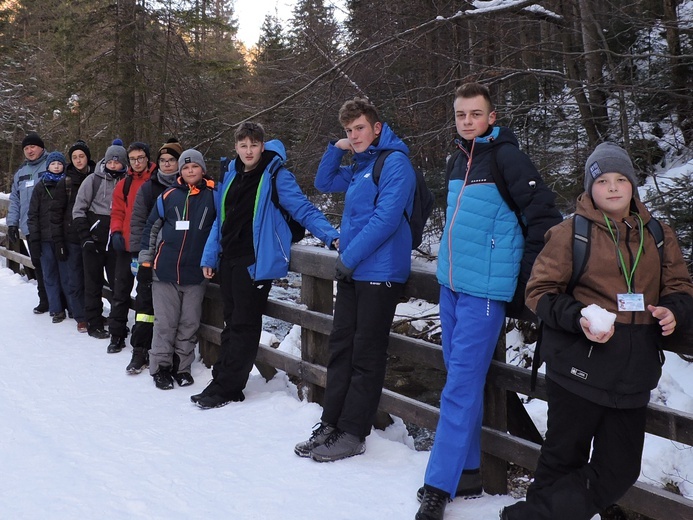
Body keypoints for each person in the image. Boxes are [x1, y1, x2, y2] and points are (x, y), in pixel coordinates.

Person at [500, 143, 693, 520]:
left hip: (634, 374)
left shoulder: (658, 234)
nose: (614, 187)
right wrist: (579, 317)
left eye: (622, 179)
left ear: (633, 185)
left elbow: (680, 287)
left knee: (619, 471)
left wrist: (674, 311)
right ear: (591, 187)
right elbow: (538, 293)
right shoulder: (570, 232)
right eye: (603, 180)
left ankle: (528, 517)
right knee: (561, 461)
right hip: (578, 369)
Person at [415, 83, 562, 520]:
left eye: (475, 114)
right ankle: (472, 471)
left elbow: (545, 219)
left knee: (459, 384)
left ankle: (437, 485)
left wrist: (523, 284)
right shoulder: (455, 160)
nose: (467, 122)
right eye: (461, 115)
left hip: (485, 294)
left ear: (492, 117)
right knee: (461, 379)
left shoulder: (507, 158)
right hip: (451, 285)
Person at [294, 97, 416, 463]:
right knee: (341, 348)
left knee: (366, 354)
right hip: (354, 271)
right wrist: (336, 148)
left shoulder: (395, 164)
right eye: (349, 130)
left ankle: (353, 431)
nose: (355, 135)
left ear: (377, 127)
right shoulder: (362, 165)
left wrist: (347, 256)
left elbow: (386, 219)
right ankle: (331, 423)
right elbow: (323, 180)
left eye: (360, 128)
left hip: (379, 273)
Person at [193, 121, 339, 409]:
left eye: (254, 145)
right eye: (243, 145)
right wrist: (210, 256)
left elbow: (303, 208)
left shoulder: (276, 175)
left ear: (263, 146)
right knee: (230, 323)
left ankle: (230, 388)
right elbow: (220, 222)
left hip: (255, 263)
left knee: (244, 326)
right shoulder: (232, 174)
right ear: (236, 147)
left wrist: (332, 236)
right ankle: (221, 379)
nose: (248, 151)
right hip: (229, 259)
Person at [138, 149, 215, 389]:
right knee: (165, 323)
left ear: (202, 169)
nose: (190, 171)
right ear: (180, 171)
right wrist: (145, 261)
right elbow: (151, 228)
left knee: (189, 323)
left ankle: (181, 367)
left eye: (194, 167)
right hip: (165, 271)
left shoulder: (214, 196)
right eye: (185, 167)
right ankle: (160, 368)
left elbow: (219, 232)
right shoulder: (168, 196)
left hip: (195, 273)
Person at [126, 137, 182, 374]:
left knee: (174, 310)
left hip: (178, 259)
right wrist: (139, 256)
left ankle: (173, 355)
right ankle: (140, 350)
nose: (167, 165)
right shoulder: (149, 188)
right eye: (163, 161)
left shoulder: (191, 185)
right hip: (151, 256)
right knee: (145, 305)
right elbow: (138, 222)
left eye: (172, 160)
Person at [72, 139, 128, 339]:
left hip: (117, 240)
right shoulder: (93, 180)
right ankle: (94, 323)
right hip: (94, 238)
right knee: (93, 283)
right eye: (110, 161)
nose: (113, 165)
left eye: (117, 162)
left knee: (118, 283)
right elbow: (78, 209)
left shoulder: (127, 181)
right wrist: (85, 237)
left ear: (123, 163)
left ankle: (117, 321)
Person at [105, 142, 156, 354]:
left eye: (141, 158)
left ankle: (143, 337)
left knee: (146, 295)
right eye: (133, 159)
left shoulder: (155, 181)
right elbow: (117, 211)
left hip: (146, 247)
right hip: (125, 246)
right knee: (121, 291)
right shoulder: (123, 184)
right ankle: (117, 334)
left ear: (147, 159)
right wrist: (116, 232)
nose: (137, 162)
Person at [51, 140, 96, 333]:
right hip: (72, 237)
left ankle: (94, 312)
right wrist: (59, 241)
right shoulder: (66, 182)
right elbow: (55, 214)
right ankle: (81, 316)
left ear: (88, 157)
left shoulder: (97, 177)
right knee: (75, 278)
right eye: (75, 157)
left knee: (93, 278)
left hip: (93, 235)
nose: (78, 160)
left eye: (81, 156)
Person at [7, 132, 49, 313]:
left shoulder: (51, 165)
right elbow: (15, 200)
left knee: (54, 265)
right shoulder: (21, 173)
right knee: (38, 265)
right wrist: (12, 224)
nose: (30, 151)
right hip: (30, 228)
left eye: (32, 146)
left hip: (50, 227)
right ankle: (44, 300)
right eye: (26, 148)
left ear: (41, 147)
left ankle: (62, 301)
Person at [27, 152, 70, 323]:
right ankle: (56, 308)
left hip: (63, 237)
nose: (57, 166)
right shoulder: (40, 186)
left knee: (67, 274)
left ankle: (71, 306)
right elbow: (33, 214)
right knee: (49, 274)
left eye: (60, 164)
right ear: (48, 166)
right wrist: (35, 238)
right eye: (53, 164)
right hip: (45, 238)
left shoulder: (68, 184)